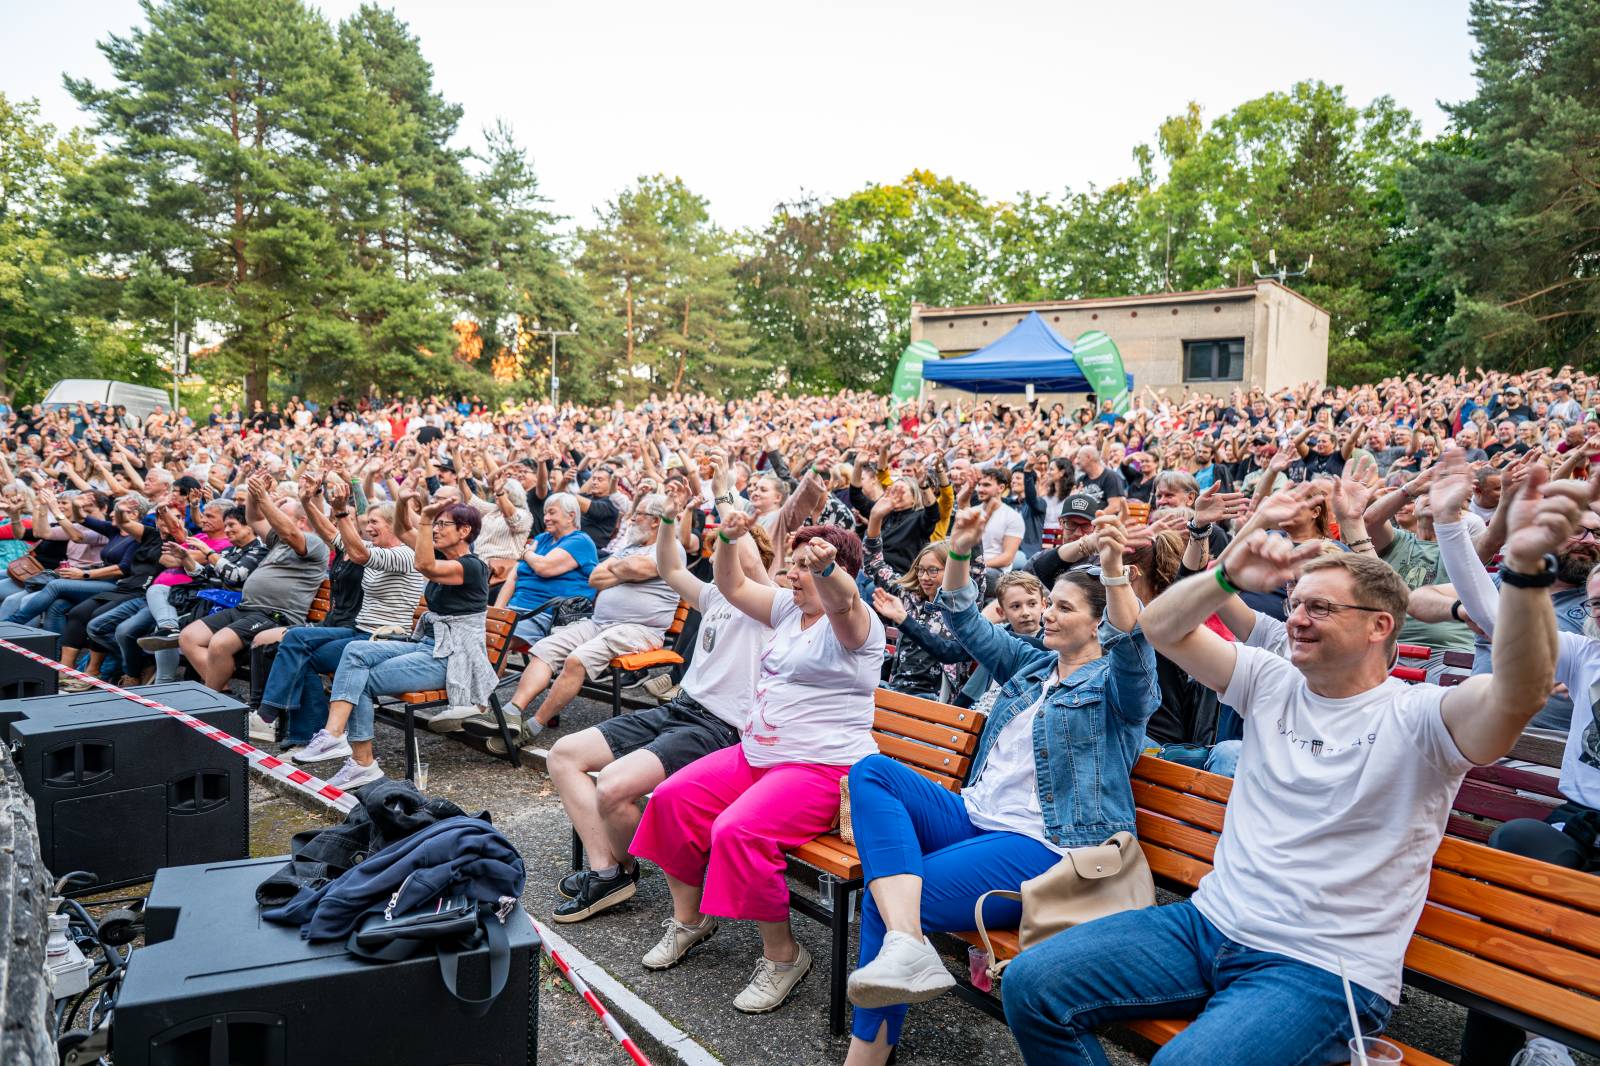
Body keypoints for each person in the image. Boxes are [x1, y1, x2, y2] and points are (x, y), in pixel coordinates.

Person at [998, 466, 1589, 1066]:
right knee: (1032, 985)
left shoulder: (1423, 717)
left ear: (1379, 626)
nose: (1297, 618)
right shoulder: (1271, 680)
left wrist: (1525, 573)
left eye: (1321, 607)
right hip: (1208, 925)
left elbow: (1518, 690)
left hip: (1321, 967)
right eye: (1295, 602)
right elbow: (1161, 627)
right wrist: (1227, 575)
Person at [839, 507, 1159, 1065]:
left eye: (1063, 608)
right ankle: (908, 947)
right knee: (872, 772)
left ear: (1097, 623)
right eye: (1050, 603)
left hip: (1046, 846)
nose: (1048, 614)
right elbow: (963, 617)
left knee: (885, 901)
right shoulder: (1033, 666)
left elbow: (1134, 649)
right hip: (976, 816)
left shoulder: (1117, 688)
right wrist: (960, 550)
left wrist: (1112, 572)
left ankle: (867, 1053)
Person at [629, 516, 882, 1014]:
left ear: (839, 569)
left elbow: (845, 603)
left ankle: (784, 956)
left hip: (820, 768)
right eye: (795, 563)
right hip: (758, 754)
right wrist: (726, 539)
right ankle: (690, 921)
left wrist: (827, 569)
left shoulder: (856, 622)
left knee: (739, 831)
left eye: (806, 566)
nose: (793, 574)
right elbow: (732, 585)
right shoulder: (790, 608)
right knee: (672, 800)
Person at [545, 481, 775, 923]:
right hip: (681, 709)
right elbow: (670, 567)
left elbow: (747, 558)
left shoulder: (770, 605)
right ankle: (609, 871)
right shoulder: (715, 596)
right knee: (564, 754)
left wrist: (724, 495)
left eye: (724, 548)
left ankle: (636, 870)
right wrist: (669, 517)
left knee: (612, 785)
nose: (717, 557)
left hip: (717, 729)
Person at [291, 499, 494, 788]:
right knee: (354, 651)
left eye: (443, 524)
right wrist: (402, 501)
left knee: (358, 679)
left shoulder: (472, 566)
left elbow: (423, 564)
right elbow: (403, 530)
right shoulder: (442, 556)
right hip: (428, 644)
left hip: (452, 657)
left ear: (464, 531)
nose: (436, 530)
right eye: (435, 524)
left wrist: (426, 518)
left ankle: (362, 763)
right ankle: (334, 736)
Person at [474, 495, 679, 749]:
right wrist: (624, 570)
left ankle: (533, 726)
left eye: (638, 514)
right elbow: (595, 578)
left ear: (656, 521)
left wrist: (617, 570)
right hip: (599, 623)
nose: (632, 519)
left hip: (639, 629)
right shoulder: (628, 548)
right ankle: (511, 712)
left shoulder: (669, 549)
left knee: (577, 659)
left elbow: (638, 569)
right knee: (545, 649)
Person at [249, 479, 424, 747]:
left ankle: (280, 720)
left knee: (302, 653)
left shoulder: (405, 555)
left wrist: (342, 512)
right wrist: (307, 502)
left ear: (393, 525)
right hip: (359, 631)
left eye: (375, 522)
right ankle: (287, 723)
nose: (368, 527)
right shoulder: (377, 548)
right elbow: (332, 535)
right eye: (368, 522)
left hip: (385, 639)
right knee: (297, 643)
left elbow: (359, 554)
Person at [177, 474, 328, 692]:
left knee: (220, 643)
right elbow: (255, 519)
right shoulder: (280, 540)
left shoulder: (314, 542)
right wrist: (252, 493)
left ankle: (214, 699)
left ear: (301, 521)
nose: (272, 521)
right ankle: (223, 695)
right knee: (189, 637)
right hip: (246, 608)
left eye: (280, 515)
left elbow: (288, 531)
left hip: (275, 615)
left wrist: (263, 497)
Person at [493, 492, 597, 645]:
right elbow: (513, 577)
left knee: (495, 641)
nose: (546, 518)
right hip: (515, 610)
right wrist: (497, 612)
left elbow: (544, 568)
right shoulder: (542, 539)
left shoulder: (581, 541)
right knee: (476, 632)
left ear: (570, 516)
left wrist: (526, 553)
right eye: (545, 513)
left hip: (545, 615)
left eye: (552, 512)